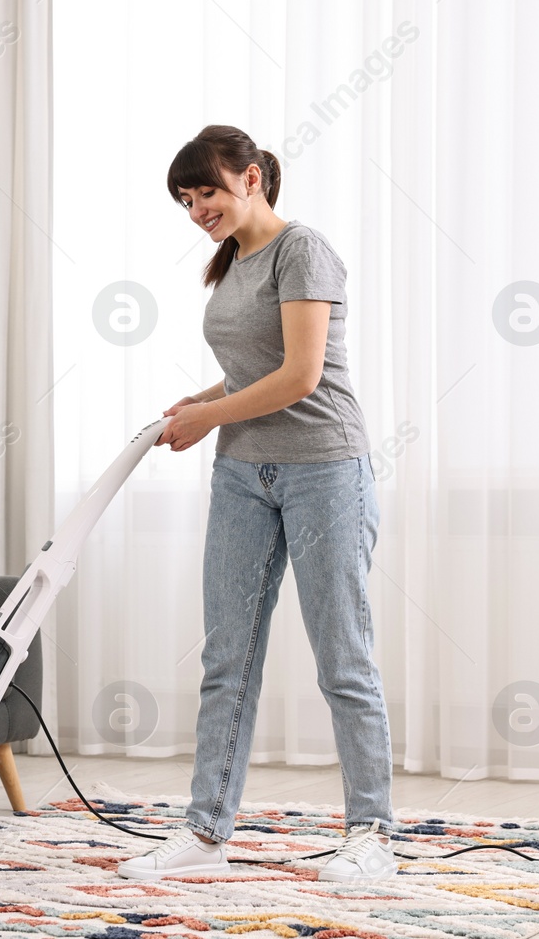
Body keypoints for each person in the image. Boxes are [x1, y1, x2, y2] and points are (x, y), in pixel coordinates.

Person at [117, 125, 395, 884]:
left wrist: (211, 416)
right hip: (245, 471)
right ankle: (207, 833)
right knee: (226, 656)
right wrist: (202, 399)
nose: (196, 206)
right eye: (185, 197)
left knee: (343, 654)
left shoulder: (302, 249)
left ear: (250, 177)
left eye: (206, 188)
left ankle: (371, 834)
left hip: (324, 469)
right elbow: (254, 367)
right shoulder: (231, 262)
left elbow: (302, 375)